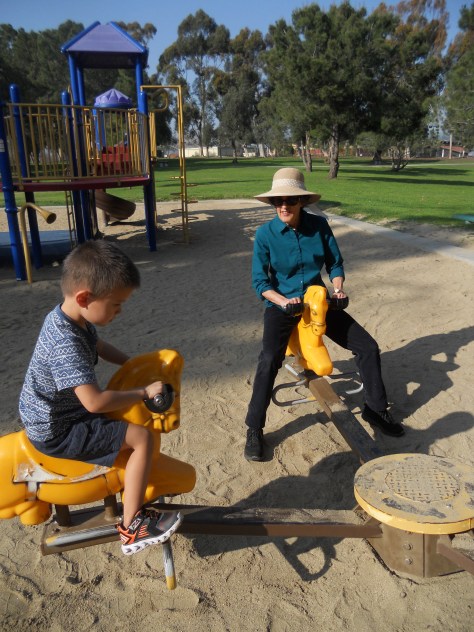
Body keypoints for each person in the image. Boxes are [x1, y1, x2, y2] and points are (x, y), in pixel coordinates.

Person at [19, 240, 182, 554]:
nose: (119, 311)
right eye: (116, 304)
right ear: (85, 298)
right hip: (58, 430)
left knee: (120, 420)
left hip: (53, 413)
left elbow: (100, 347)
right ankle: (132, 526)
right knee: (141, 438)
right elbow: (93, 402)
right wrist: (142, 392)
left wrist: (135, 366)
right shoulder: (65, 343)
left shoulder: (69, 318)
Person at [244, 168, 404, 462]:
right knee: (269, 359)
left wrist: (338, 290)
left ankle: (375, 409)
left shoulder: (319, 226)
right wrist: (283, 301)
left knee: (368, 347)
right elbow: (260, 282)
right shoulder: (266, 234)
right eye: (278, 200)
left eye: (290, 200)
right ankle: (254, 428)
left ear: (302, 202)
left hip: (316, 301)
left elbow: (335, 264)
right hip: (282, 305)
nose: (283, 206)